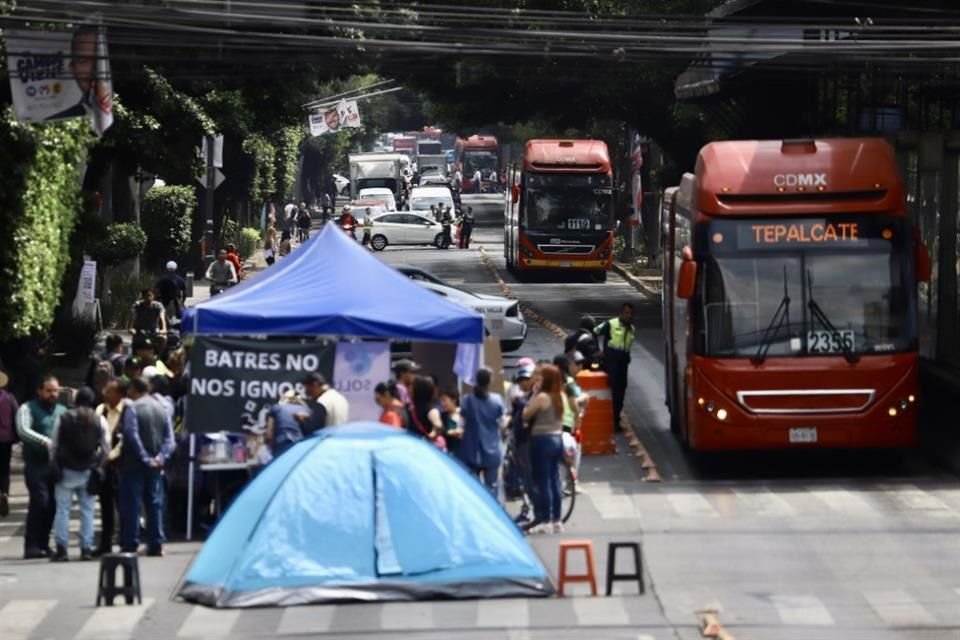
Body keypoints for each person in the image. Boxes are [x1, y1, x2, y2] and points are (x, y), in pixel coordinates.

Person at [49, 386, 109, 562]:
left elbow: (54, 444)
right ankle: (86, 548)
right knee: (87, 511)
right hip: (89, 470)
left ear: (75, 401)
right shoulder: (99, 419)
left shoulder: (63, 418)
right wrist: (99, 465)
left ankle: (62, 549)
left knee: (62, 510)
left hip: (65, 469)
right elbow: (106, 447)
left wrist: (54, 462)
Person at [119, 377, 175, 556]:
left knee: (132, 503)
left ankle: (130, 542)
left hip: (134, 463)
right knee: (154, 502)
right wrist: (160, 457)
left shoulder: (133, 408)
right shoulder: (162, 408)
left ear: (133, 390)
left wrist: (144, 457)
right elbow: (170, 439)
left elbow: (131, 434)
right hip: (156, 465)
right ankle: (156, 543)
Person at [16, 376, 67, 558]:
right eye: (49, 391)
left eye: (55, 391)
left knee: (53, 505)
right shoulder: (27, 408)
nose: (53, 394)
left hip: (56, 466)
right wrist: (45, 441)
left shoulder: (62, 410)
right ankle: (31, 545)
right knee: (40, 502)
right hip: (35, 464)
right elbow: (23, 430)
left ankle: (44, 544)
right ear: (39, 391)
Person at [522, 364, 566, 534]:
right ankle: (557, 520)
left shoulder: (542, 397)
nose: (536, 379)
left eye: (539, 376)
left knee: (543, 481)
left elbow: (526, 414)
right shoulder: (560, 396)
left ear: (546, 379)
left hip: (542, 440)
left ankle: (546, 520)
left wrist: (533, 394)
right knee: (555, 479)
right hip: (557, 438)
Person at [458, 368, 506, 497]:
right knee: (492, 487)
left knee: (472, 487)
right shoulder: (497, 400)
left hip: (471, 450)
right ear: (490, 381)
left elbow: (461, 424)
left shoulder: (467, 400)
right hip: (492, 449)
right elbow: (503, 424)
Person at [94, 379, 125, 556]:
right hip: (103, 465)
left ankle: (125, 542)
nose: (105, 393)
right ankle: (105, 544)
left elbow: (126, 438)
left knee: (123, 505)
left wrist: (111, 456)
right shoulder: (100, 409)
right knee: (105, 506)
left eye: (109, 391)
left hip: (121, 464)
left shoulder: (128, 410)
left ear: (120, 394)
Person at [45, 25, 101, 122]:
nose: (93, 68)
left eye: (100, 59)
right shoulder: (60, 120)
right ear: (72, 68)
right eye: (83, 60)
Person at [594, 303, 636, 432]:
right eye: (626, 313)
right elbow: (594, 332)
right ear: (621, 313)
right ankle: (609, 420)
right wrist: (597, 350)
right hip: (611, 363)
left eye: (631, 313)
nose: (629, 316)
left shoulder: (632, 329)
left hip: (623, 365)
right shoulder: (610, 324)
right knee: (613, 392)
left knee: (620, 393)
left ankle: (615, 420)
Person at [265, 391, 309, 458]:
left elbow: (269, 434)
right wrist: (300, 401)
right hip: (298, 442)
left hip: (281, 441)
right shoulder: (303, 410)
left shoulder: (276, 408)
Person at [408, 377, 446, 449]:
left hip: (426, 449)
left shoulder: (431, 409)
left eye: (412, 387)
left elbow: (438, 426)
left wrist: (430, 437)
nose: (409, 390)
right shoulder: (413, 408)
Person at [0, 370, 18, 518]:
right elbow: (17, 416)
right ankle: (4, 492)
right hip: (6, 439)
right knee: (4, 468)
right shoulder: (10, 398)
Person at [438, 388, 463, 457]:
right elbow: (441, 431)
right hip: (448, 455)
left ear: (454, 400)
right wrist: (450, 432)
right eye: (441, 401)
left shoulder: (464, 414)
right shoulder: (442, 416)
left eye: (444, 400)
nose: (442, 404)